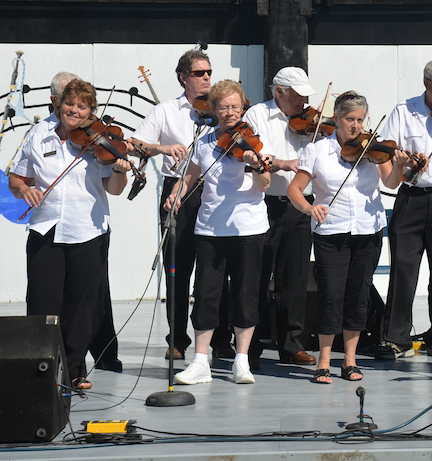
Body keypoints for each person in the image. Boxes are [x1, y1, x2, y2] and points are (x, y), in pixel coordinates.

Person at [9, 79, 131, 390]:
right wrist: (26, 189)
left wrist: (119, 169)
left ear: (91, 111)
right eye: (69, 103)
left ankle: (75, 371)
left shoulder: (100, 142)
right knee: (42, 303)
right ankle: (42, 370)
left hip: (88, 231)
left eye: (82, 106)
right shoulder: (38, 134)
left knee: (82, 306)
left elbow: (114, 190)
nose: (73, 110)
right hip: (46, 229)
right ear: (58, 103)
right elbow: (16, 178)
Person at [287, 91, 411, 384]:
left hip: (368, 229)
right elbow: (295, 190)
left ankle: (350, 360)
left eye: (360, 119)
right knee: (331, 295)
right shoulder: (317, 151)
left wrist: (402, 165)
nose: (356, 126)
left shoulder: (373, 150)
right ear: (337, 119)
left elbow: (391, 181)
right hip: (331, 231)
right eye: (350, 119)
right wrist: (309, 207)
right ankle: (325, 359)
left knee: (359, 294)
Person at [167, 80, 272, 385]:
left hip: (248, 228)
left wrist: (257, 167)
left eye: (235, 106)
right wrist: (176, 194)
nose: (229, 112)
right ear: (212, 109)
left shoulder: (255, 141)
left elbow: (264, 186)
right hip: (210, 229)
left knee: (245, 294)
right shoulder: (203, 141)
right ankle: (200, 361)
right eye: (223, 106)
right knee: (206, 295)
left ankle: (241, 360)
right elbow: (188, 177)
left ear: (243, 108)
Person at [129, 48, 232, 361]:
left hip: (215, 190)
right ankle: (176, 339)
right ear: (183, 77)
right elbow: (135, 144)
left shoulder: (220, 110)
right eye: (199, 73)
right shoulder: (166, 111)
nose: (206, 79)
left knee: (216, 268)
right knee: (177, 267)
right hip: (179, 189)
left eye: (209, 73)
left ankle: (220, 339)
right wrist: (162, 148)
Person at [374, 59, 432, 360]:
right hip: (411, 195)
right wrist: (402, 162)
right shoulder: (404, 111)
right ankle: (396, 337)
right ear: (426, 85)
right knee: (403, 269)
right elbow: (385, 150)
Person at [243, 67, 318, 367]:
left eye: (305, 96)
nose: (304, 103)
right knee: (258, 275)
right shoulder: (257, 115)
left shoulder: (309, 121)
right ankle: (252, 346)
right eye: (298, 96)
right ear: (279, 92)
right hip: (266, 202)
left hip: (300, 203)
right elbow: (255, 156)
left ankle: (291, 344)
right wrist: (285, 163)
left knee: (296, 275)